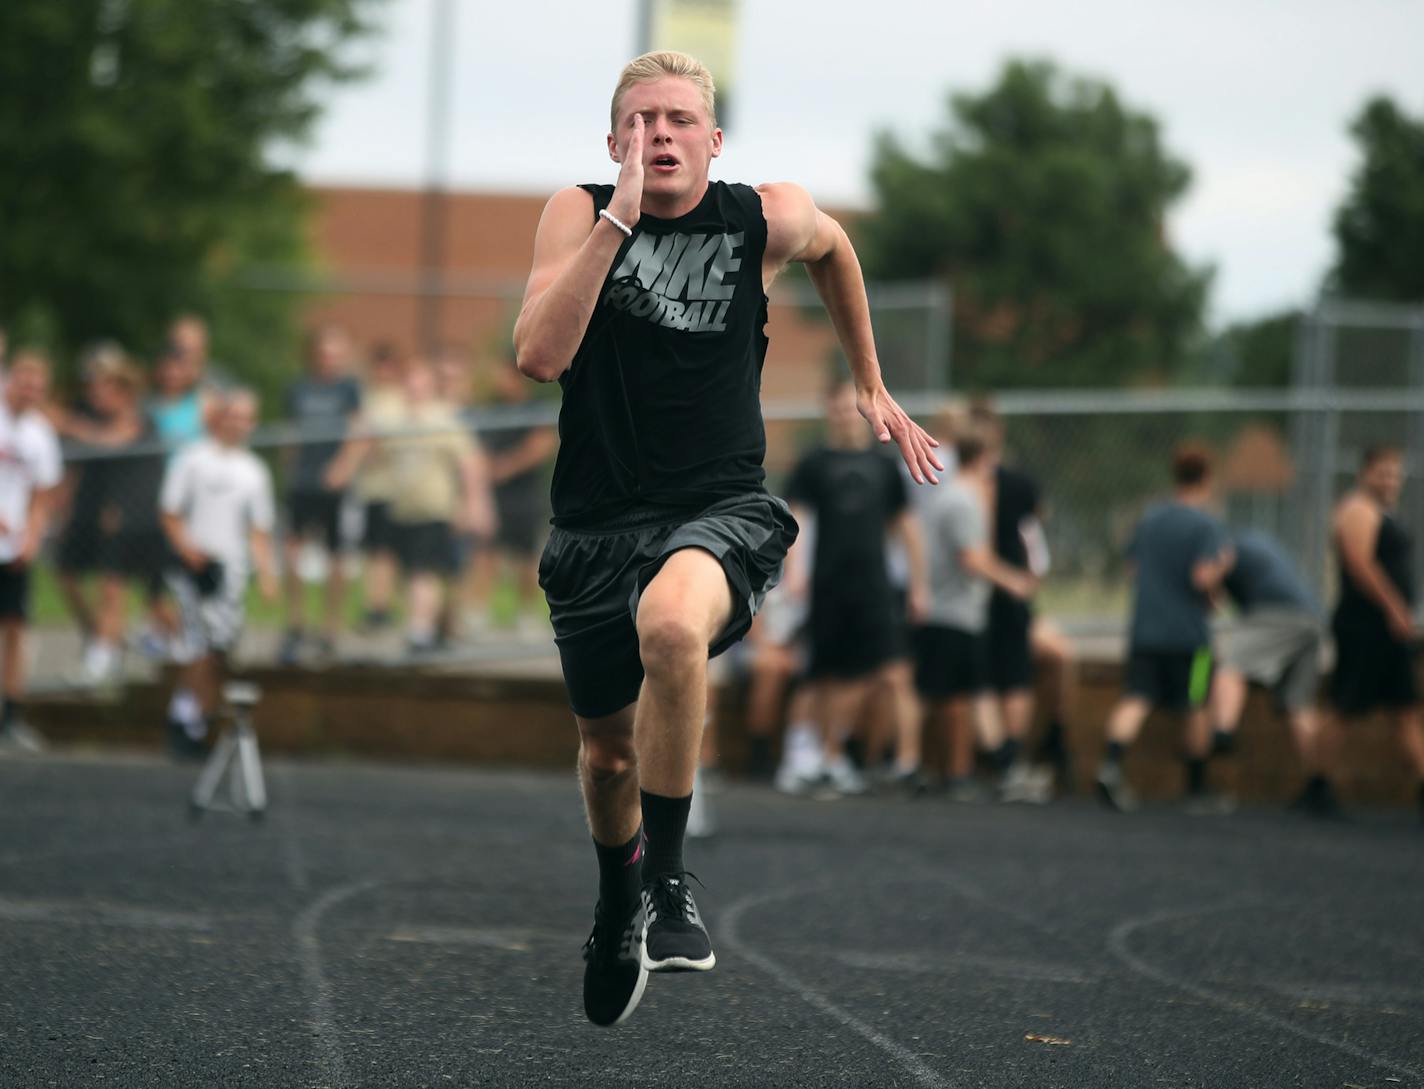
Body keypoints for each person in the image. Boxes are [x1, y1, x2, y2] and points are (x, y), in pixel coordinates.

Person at [512, 51, 940, 1027]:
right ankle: (616, 897)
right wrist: (617, 218)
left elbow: (835, 249)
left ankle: (666, 880)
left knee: (671, 628)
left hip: (717, 508)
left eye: (676, 120)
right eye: (639, 121)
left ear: (712, 142)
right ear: (614, 139)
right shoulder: (577, 213)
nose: (658, 134)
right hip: (592, 523)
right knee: (607, 758)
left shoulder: (762, 216)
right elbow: (538, 356)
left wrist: (867, 378)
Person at [782, 378, 928, 795]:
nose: (848, 415)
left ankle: (906, 763)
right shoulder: (813, 464)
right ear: (829, 411)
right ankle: (827, 757)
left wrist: (919, 586)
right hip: (828, 586)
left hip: (875, 588)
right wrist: (795, 575)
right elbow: (796, 523)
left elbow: (907, 528)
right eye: (841, 408)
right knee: (825, 675)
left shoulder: (884, 466)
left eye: (854, 408)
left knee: (896, 671)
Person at [1095, 444, 1235, 813]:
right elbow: (1202, 577)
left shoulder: (1151, 519)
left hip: (1146, 630)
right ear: (1207, 478)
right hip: (1192, 639)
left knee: (1136, 697)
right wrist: (1223, 567)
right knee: (1196, 703)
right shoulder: (1207, 525)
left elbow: (1132, 568)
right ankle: (1196, 788)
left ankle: (1110, 766)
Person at [915, 422, 1036, 799]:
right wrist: (1013, 580)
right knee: (956, 697)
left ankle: (989, 765)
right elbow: (973, 558)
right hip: (954, 614)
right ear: (984, 458)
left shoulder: (954, 495)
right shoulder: (964, 500)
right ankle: (960, 773)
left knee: (957, 691)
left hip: (954, 612)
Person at [159, 390, 277, 758]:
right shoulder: (192, 460)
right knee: (197, 645)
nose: (236, 423)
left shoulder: (254, 471)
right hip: (195, 564)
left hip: (231, 570)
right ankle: (189, 720)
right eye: (231, 414)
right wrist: (188, 550)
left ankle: (192, 716)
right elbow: (170, 512)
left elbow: (258, 529)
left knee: (217, 650)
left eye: (244, 417)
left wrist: (266, 571)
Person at [1317, 444, 1424, 819]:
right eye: (1382, 472)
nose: (1390, 480)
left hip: (1388, 629)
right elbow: (1360, 565)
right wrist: (1395, 608)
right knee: (1344, 706)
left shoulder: (1385, 512)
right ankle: (1318, 784)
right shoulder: (1357, 509)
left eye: (1396, 473)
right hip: (1365, 626)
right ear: (1364, 473)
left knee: (1407, 709)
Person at [971, 401, 1058, 800]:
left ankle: (1009, 759)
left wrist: (1030, 577)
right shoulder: (961, 480)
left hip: (1000, 592)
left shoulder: (1009, 482)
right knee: (991, 677)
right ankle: (1005, 760)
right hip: (978, 592)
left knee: (1009, 676)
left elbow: (1032, 534)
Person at [1207, 528, 1329, 812]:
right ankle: (1319, 782)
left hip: (1277, 613)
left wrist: (1208, 588)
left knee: (1230, 666)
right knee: (1299, 706)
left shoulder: (1223, 545)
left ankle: (1223, 732)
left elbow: (1212, 576)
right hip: (1311, 619)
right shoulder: (1262, 543)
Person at [279, 324, 362, 665]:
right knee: (293, 551)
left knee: (336, 555)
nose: (331, 360)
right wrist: (288, 470)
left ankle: (330, 628)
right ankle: (296, 623)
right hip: (302, 483)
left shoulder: (349, 390)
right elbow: (290, 433)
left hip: (335, 487)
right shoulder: (298, 388)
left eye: (337, 353)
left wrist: (343, 467)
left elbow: (360, 431)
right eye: (327, 352)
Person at [0, 351, 63, 751]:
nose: (30, 389)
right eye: (24, 380)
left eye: (38, 385)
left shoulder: (41, 433)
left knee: (15, 631)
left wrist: (32, 537)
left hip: (14, 549)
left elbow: (43, 493)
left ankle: (11, 716)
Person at [471, 354, 558, 636]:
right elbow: (479, 449)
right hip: (493, 498)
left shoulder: (534, 409)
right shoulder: (492, 411)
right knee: (486, 553)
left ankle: (527, 616)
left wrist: (504, 468)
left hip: (524, 497)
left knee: (525, 557)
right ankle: (479, 613)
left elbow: (541, 447)